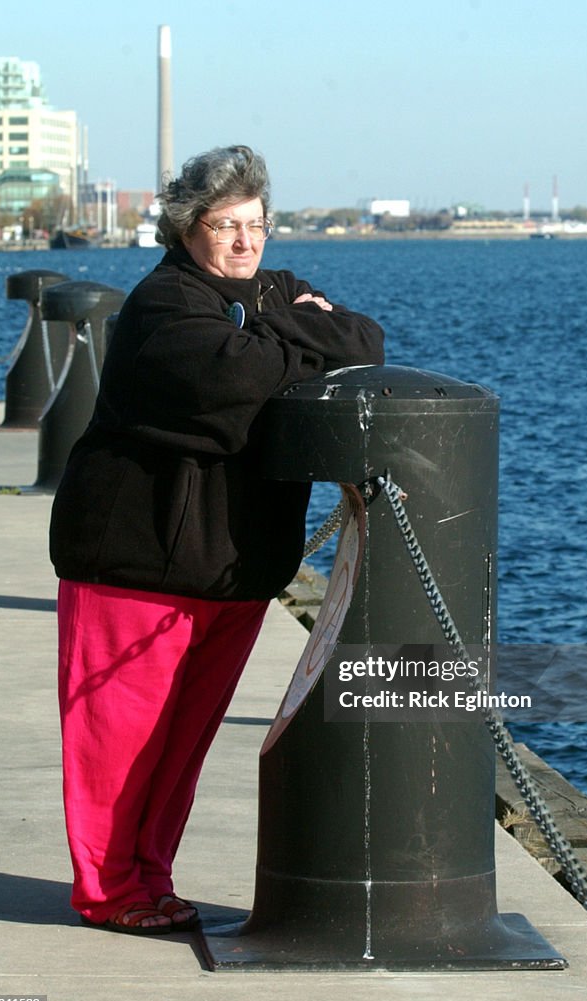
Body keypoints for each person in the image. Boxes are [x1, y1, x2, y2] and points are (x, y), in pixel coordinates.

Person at [49, 145, 385, 935]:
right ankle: (107, 891)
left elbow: (365, 344)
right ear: (186, 228)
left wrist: (274, 326)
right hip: (136, 564)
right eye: (225, 225)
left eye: (256, 224)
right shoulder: (163, 305)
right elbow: (233, 381)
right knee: (119, 743)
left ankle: (151, 879)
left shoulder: (270, 291)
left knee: (181, 747)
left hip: (233, 567)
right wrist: (300, 333)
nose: (244, 241)